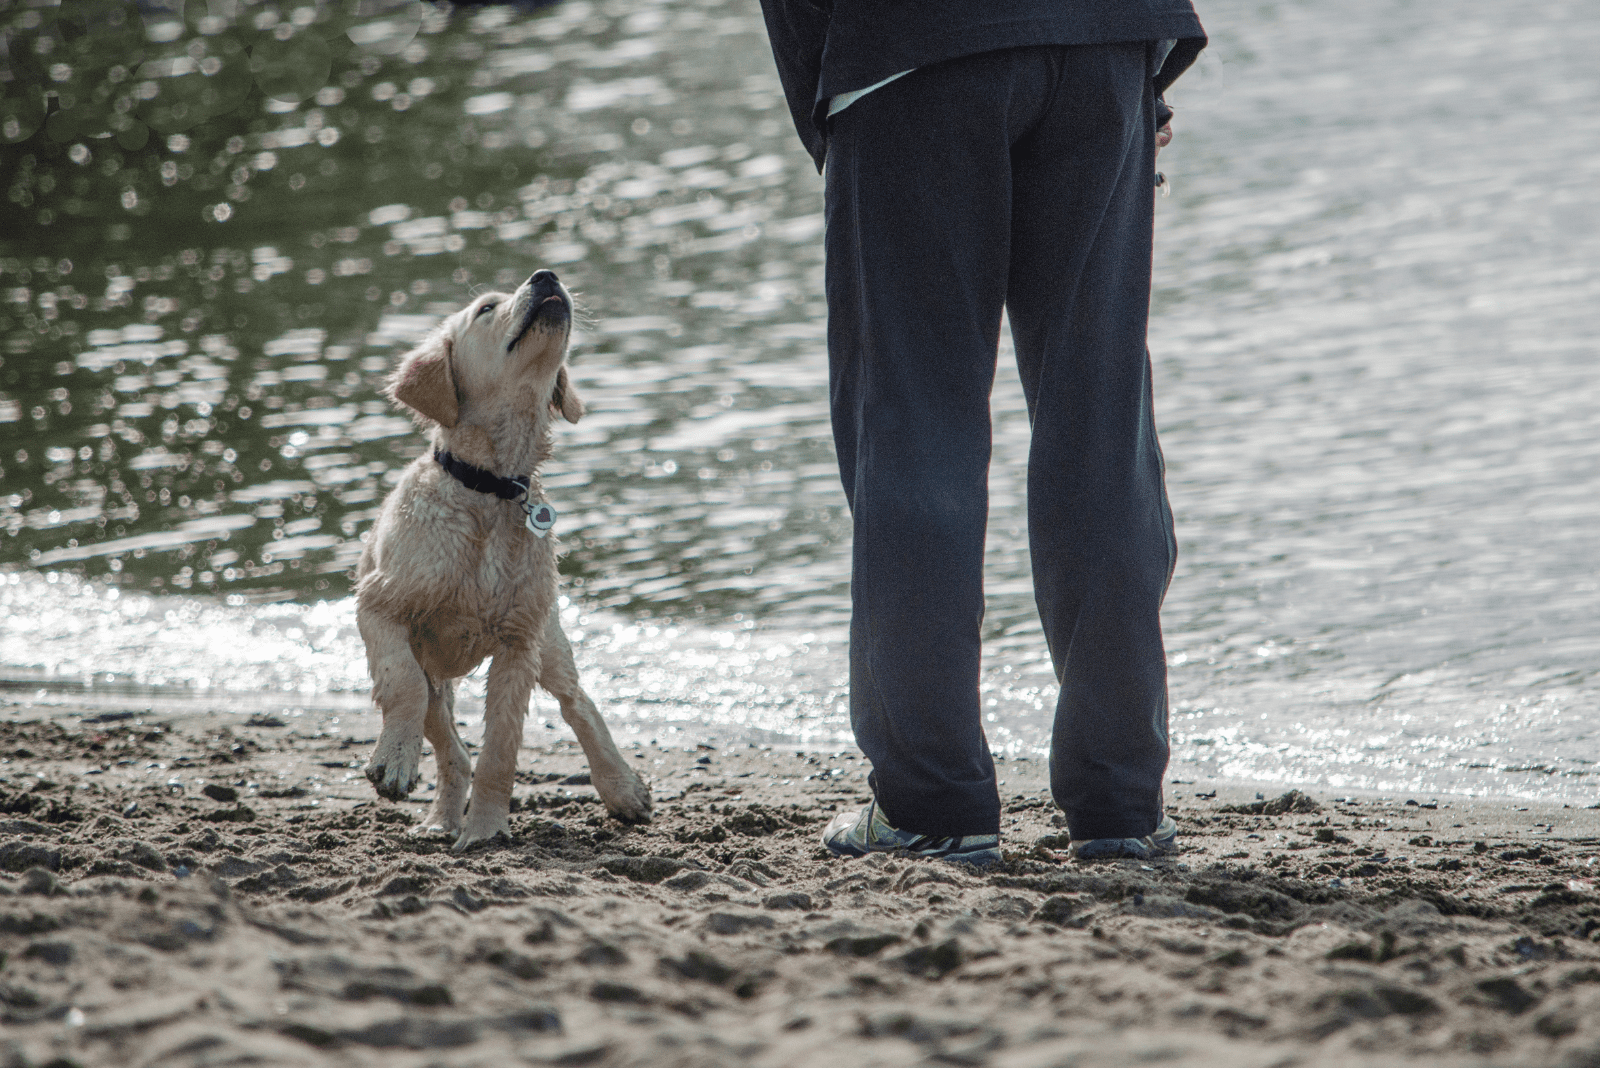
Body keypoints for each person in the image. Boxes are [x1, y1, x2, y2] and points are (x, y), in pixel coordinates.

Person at [757, 1, 1207, 865]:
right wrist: (1143, 72)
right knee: (1100, 418)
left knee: (916, 422)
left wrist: (833, 95)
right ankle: (1120, 804)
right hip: (1100, 36)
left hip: (910, 49)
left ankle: (934, 802)